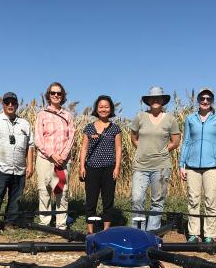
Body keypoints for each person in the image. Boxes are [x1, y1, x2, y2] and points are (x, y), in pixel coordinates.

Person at [0, 92, 35, 239]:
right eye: (7, 102)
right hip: (0, 168)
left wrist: (30, 165)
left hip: (19, 169)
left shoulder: (25, 123)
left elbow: (30, 146)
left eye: (13, 102)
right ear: (3, 104)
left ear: (17, 105)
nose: (10, 105)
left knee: (15, 198)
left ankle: (9, 223)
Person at [179, 88, 216, 243]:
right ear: (198, 100)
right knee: (193, 200)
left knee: (211, 200)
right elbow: (186, 141)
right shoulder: (190, 118)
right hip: (192, 166)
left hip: (213, 166)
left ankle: (209, 235)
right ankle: (193, 233)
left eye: (208, 98)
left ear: (212, 100)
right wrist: (181, 164)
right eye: (202, 98)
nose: (205, 101)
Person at [130, 86, 180, 231]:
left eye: (159, 98)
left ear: (163, 100)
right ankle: (137, 231)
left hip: (161, 166)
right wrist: (143, 149)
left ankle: (152, 233)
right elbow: (134, 137)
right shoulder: (140, 117)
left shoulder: (171, 119)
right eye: (153, 98)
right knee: (137, 199)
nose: (156, 100)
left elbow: (175, 142)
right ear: (148, 101)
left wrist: (162, 151)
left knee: (157, 201)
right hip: (141, 165)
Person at [34, 82, 75, 229]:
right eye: (53, 93)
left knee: (62, 191)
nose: (56, 95)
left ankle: (61, 224)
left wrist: (62, 156)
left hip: (63, 161)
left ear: (63, 96)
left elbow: (71, 138)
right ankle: (45, 223)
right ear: (48, 95)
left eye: (59, 93)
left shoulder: (68, 116)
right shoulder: (42, 115)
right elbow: (38, 139)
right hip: (45, 159)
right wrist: (51, 154)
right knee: (44, 190)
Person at [79, 95, 122, 233]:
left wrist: (117, 167)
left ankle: (106, 231)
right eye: (101, 106)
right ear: (96, 109)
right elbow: (84, 148)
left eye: (106, 107)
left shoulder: (115, 128)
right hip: (92, 167)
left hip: (109, 168)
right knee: (91, 200)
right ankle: (90, 231)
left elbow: (118, 149)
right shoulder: (89, 128)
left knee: (108, 200)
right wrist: (81, 166)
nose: (104, 109)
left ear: (111, 109)